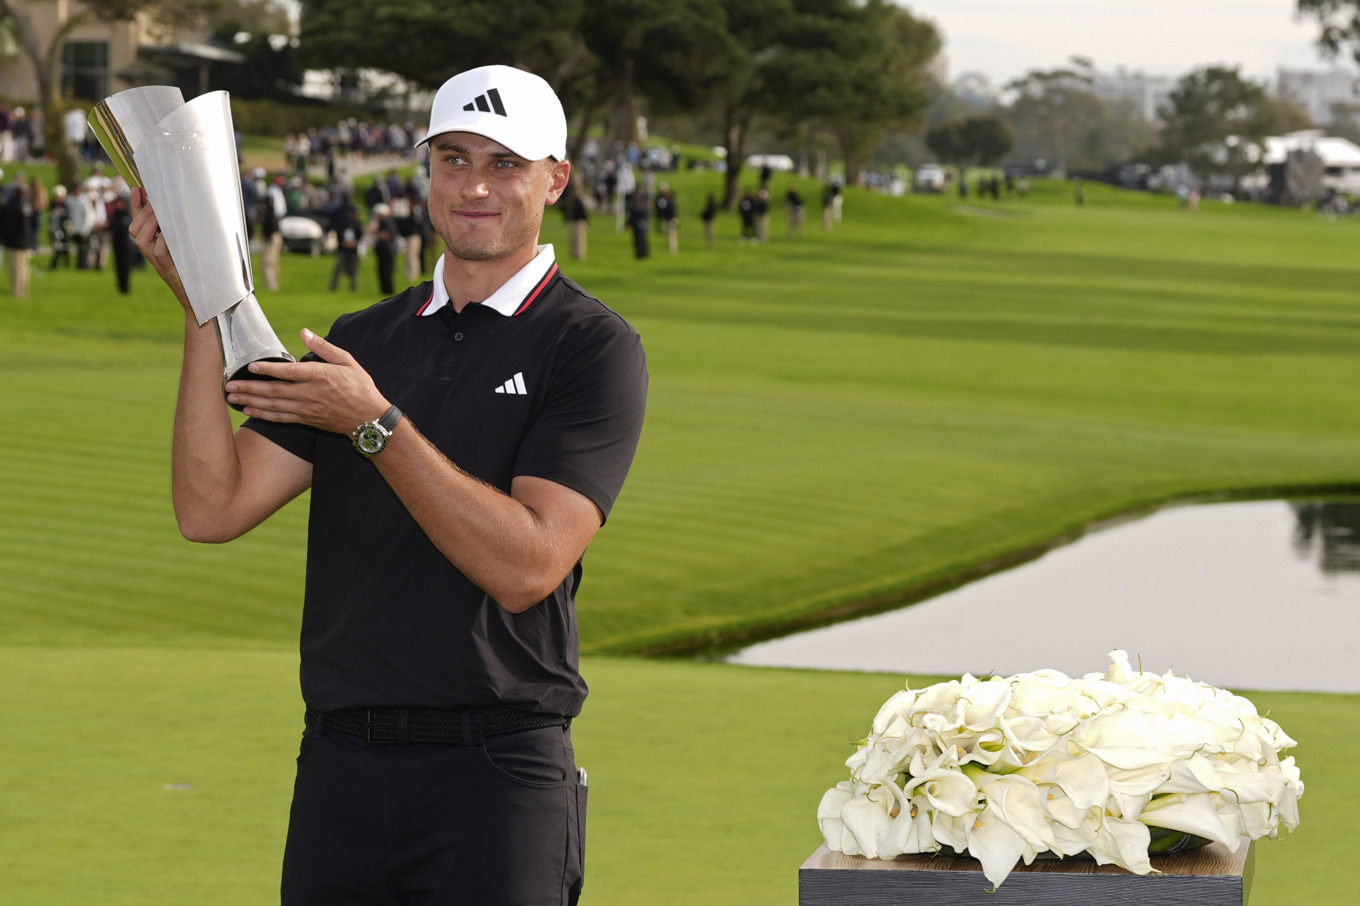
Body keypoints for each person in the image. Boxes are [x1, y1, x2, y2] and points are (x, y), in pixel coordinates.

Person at [128, 63, 647, 905]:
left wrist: (374, 424)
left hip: (497, 773)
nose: (474, 185)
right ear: (427, 170)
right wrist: (199, 310)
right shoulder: (360, 339)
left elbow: (529, 566)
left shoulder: (590, 346)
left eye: (504, 163)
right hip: (341, 766)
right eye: (452, 159)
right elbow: (212, 507)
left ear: (556, 178)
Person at [329, 204, 363, 291]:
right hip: (343, 250)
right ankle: (333, 287)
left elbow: (360, 236)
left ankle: (354, 289)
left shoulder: (358, 224)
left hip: (353, 250)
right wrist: (343, 243)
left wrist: (354, 243)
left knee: (354, 270)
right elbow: (339, 234)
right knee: (338, 269)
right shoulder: (344, 223)